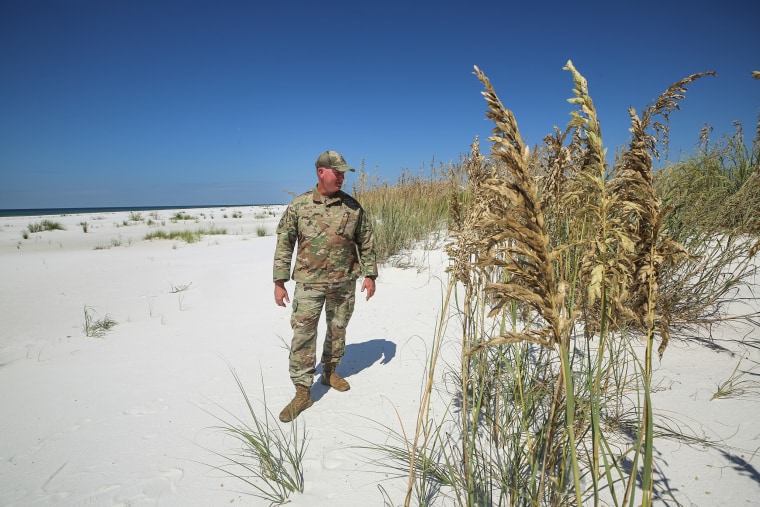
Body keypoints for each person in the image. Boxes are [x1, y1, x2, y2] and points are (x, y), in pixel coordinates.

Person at [273, 150, 378, 422]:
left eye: (344, 173)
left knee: (337, 329)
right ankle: (302, 391)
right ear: (321, 172)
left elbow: (366, 241)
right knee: (303, 334)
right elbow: (285, 243)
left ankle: (330, 372)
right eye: (337, 172)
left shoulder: (353, 207)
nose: (342, 177)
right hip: (309, 284)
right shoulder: (299, 206)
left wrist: (370, 275)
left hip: (344, 282)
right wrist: (279, 281)